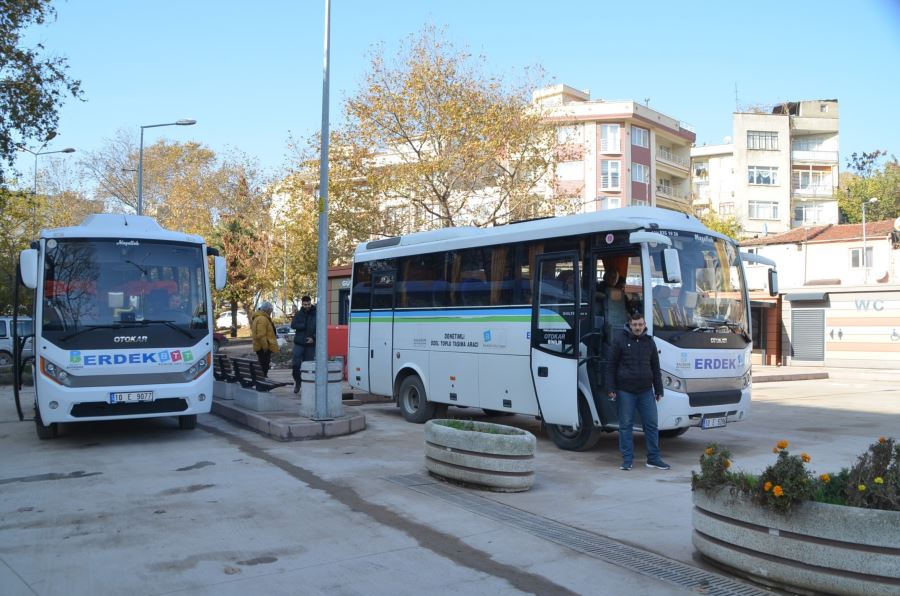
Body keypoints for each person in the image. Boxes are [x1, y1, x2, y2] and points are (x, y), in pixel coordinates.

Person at [607, 312, 669, 471]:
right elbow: (611, 365)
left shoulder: (649, 342)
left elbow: (655, 367)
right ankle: (627, 460)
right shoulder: (620, 339)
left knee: (651, 425)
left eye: (640, 325)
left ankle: (654, 459)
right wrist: (611, 388)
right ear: (630, 324)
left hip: (646, 391)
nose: (638, 327)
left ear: (644, 325)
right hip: (625, 391)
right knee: (625, 426)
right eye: (635, 325)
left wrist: (659, 389)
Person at [290, 296, 316, 393]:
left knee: (308, 367)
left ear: (311, 303)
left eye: (308, 304)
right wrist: (303, 325)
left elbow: (320, 328)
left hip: (310, 345)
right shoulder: (299, 314)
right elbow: (293, 325)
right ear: (302, 304)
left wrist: (313, 338)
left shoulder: (316, 314)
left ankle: (307, 386)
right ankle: (298, 382)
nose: (307, 306)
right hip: (299, 343)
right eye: (305, 305)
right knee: (295, 365)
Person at [251, 301, 278, 377]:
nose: (271, 312)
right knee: (264, 365)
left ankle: (263, 379)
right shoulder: (262, 319)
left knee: (263, 365)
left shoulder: (260, 317)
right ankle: (263, 381)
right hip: (263, 347)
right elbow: (261, 335)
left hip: (261, 347)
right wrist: (265, 347)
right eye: (271, 310)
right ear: (267, 310)